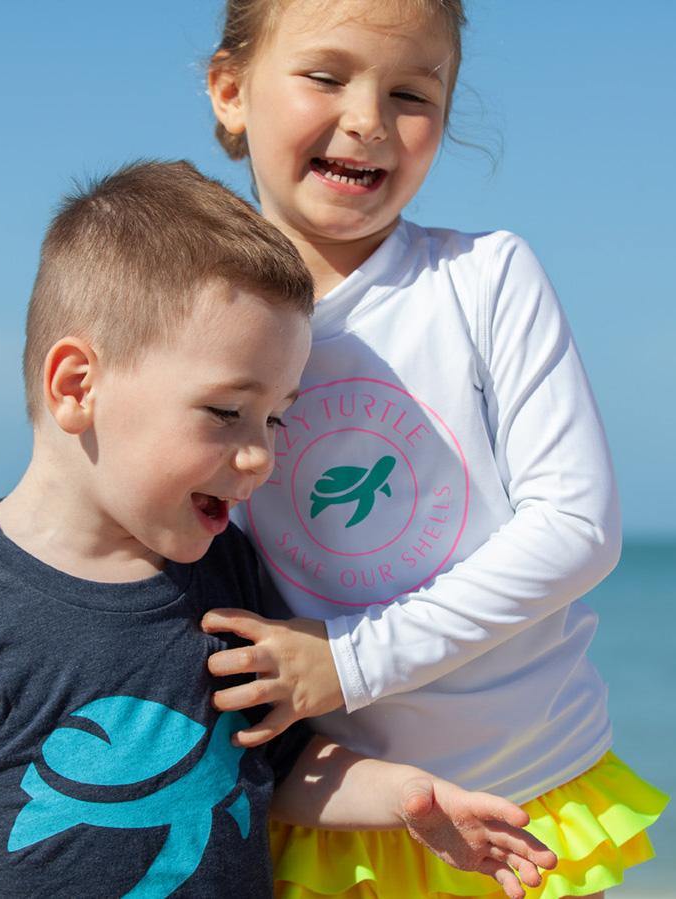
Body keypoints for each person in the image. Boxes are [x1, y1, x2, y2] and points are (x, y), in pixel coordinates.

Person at [0, 161, 555, 899]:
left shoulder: (227, 578)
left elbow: (281, 767)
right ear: (78, 386)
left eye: (276, 416)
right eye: (226, 412)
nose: (261, 453)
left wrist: (408, 797)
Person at [204, 2, 669, 898]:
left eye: (411, 92)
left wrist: (348, 658)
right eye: (326, 76)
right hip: (322, 805)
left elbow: (576, 526)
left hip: (522, 798)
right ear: (230, 90)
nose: (368, 119)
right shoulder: (198, 314)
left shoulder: (483, 277)